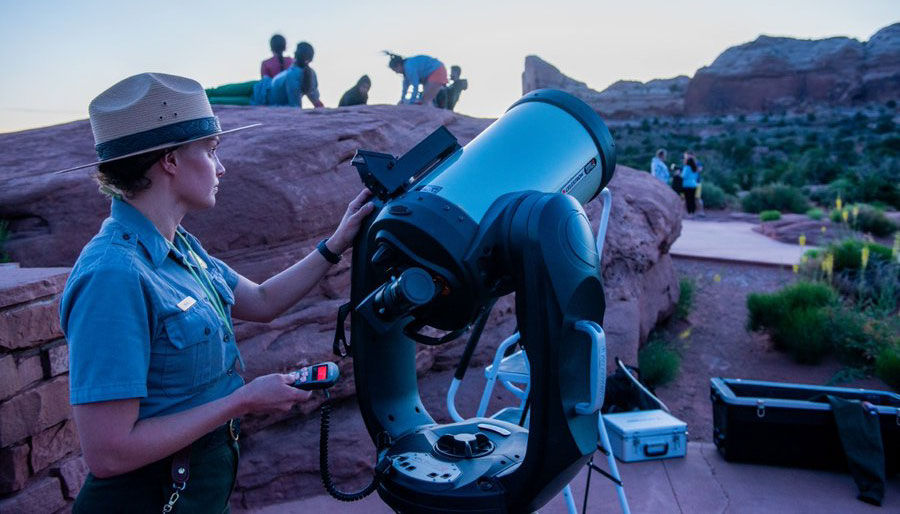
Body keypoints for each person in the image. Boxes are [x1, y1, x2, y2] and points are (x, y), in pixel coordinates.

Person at [56, 73, 373, 512]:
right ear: (169, 160)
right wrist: (241, 401)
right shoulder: (113, 276)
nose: (220, 167)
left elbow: (261, 301)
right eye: (210, 150)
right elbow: (109, 453)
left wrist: (335, 244)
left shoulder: (179, 245)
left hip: (198, 491)